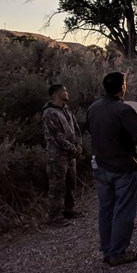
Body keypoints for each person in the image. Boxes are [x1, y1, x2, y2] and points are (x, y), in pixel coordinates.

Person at [87, 72, 137, 266]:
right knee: (124, 209)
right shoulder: (123, 110)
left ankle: (107, 248)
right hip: (123, 167)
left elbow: (90, 129)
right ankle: (118, 253)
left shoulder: (93, 108)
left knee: (106, 208)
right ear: (122, 87)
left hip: (100, 166)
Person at [42, 84, 83, 227]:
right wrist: (72, 148)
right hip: (57, 155)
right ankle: (54, 217)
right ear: (57, 93)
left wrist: (79, 144)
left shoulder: (66, 109)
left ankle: (68, 210)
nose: (67, 92)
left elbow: (76, 129)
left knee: (70, 182)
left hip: (70, 154)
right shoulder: (49, 113)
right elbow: (57, 136)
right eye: (65, 90)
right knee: (57, 186)